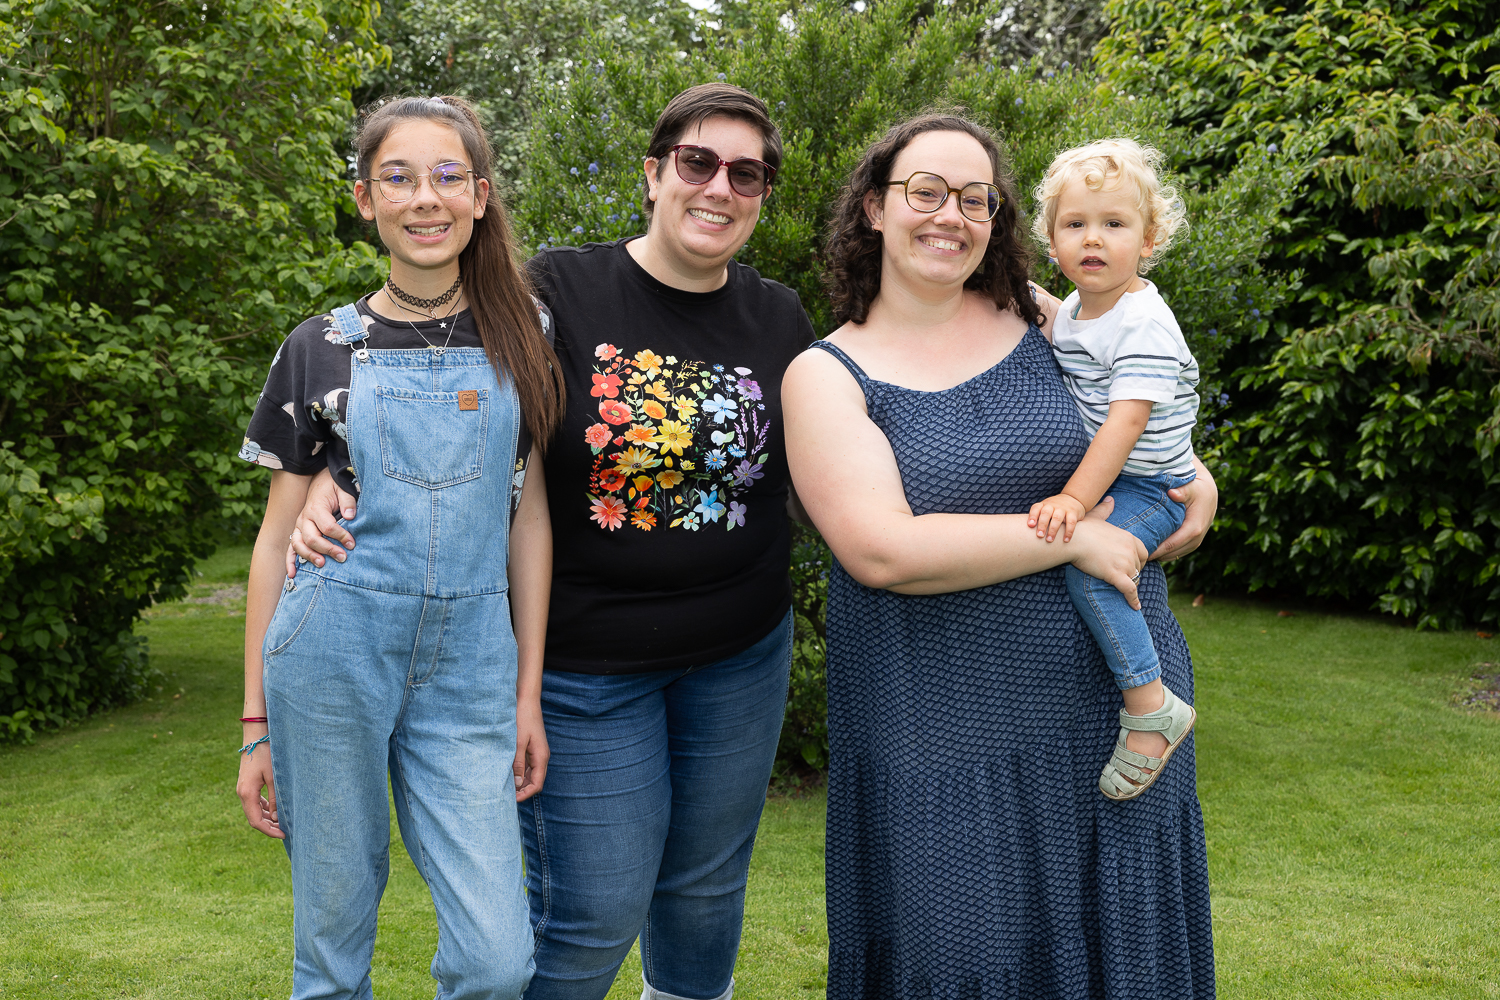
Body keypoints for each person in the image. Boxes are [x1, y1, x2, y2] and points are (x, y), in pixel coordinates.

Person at [287, 83, 815, 1000]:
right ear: (653, 174)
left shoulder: (781, 319)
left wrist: (1057, 314)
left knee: (704, 892)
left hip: (740, 656)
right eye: (697, 162)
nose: (719, 187)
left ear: (764, 193)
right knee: (592, 912)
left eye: (747, 173)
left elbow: (852, 416)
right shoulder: (558, 293)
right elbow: (439, 377)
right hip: (586, 665)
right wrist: (329, 470)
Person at [782, 114, 1218, 998]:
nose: (951, 214)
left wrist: (1193, 474)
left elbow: (1137, 400)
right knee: (965, 957)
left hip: (1114, 721)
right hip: (942, 739)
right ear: (874, 207)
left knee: (1126, 956)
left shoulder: (1038, 312)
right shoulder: (826, 374)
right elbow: (883, 551)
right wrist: (1074, 535)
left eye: (975, 198)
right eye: (925, 192)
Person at [235, 95, 562, 1000]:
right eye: (400, 178)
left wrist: (526, 692)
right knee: (332, 950)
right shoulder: (319, 346)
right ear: (365, 199)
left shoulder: (526, 335)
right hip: (331, 649)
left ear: (481, 196)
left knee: (497, 963)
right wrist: (254, 727)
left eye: (449, 177)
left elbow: (529, 517)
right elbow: (273, 542)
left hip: (472, 662)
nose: (427, 198)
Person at [1028, 138, 1202, 801]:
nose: (1092, 238)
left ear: (1148, 241)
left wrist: (1075, 500)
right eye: (1074, 224)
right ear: (1053, 243)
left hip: (1153, 486)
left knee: (1092, 569)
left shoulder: (1144, 323)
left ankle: (1151, 706)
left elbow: (1126, 425)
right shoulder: (1079, 308)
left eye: (1114, 224)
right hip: (1125, 479)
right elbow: (1059, 325)